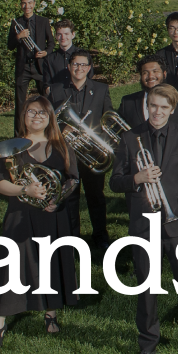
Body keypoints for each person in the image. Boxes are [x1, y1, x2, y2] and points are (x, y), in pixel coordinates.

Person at [110, 85, 178, 354]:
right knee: (147, 288)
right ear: (146, 106)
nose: (157, 112)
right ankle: (147, 343)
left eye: (164, 107)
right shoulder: (130, 137)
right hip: (144, 225)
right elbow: (115, 181)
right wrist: (136, 179)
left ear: (172, 109)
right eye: (153, 106)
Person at [0, 97, 81, 350]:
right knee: (12, 269)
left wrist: (57, 198)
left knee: (51, 265)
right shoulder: (11, 147)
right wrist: (24, 189)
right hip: (21, 215)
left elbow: (72, 179)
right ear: (23, 116)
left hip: (52, 214)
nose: (36, 117)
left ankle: (51, 313)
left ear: (50, 117)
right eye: (31, 112)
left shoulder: (61, 145)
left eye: (42, 113)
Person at [48, 47, 114, 248]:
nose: (79, 68)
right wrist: (62, 129)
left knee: (96, 197)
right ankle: (71, 238)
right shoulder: (57, 89)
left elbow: (107, 118)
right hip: (66, 152)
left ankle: (100, 235)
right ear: (69, 66)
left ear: (89, 68)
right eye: (75, 64)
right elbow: (50, 120)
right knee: (70, 197)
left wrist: (96, 137)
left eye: (83, 64)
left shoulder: (101, 89)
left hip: (91, 152)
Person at [7, 0, 53, 104]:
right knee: (20, 102)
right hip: (24, 66)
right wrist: (19, 36)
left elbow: (51, 43)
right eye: (24, 3)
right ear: (20, 4)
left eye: (29, 3)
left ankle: (49, 121)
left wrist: (46, 52)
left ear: (34, 3)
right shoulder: (16, 23)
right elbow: (10, 46)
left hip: (40, 66)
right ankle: (20, 122)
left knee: (47, 99)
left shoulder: (43, 21)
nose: (27, 6)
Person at [40, 20, 81, 89]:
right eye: (59, 34)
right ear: (56, 36)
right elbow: (47, 85)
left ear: (73, 35)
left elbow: (88, 80)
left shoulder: (82, 56)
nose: (63, 37)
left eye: (66, 34)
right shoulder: (49, 59)